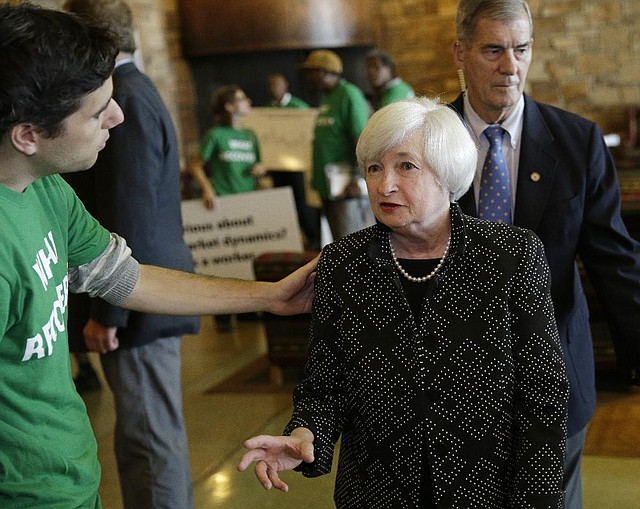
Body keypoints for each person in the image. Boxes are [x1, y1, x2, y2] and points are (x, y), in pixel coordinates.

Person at [0, 4, 317, 508]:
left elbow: (125, 277)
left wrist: (272, 296)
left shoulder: (45, 188)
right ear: (28, 134)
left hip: (72, 483)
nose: (118, 115)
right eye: (96, 110)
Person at [238, 97, 569, 507]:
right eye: (374, 168)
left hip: (488, 490)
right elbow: (325, 386)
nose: (384, 184)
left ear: (446, 172)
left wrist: (537, 497)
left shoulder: (510, 255)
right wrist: (305, 435)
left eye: (405, 166)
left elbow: (543, 390)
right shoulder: (343, 262)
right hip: (376, 490)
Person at [449, 1, 640, 507]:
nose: (510, 66)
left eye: (522, 49)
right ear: (460, 53)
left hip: (554, 380)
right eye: (493, 50)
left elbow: (614, 261)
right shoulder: (424, 141)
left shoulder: (577, 141)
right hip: (448, 385)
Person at [61, 0, 199, 507]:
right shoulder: (135, 90)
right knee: (144, 435)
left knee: (149, 439)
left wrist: (109, 310)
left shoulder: (126, 101)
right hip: (138, 297)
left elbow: (128, 213)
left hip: (138, 300)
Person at [301, 49, 375, 241]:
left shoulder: (349, 95)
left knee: (352, 245)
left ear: (328, 71)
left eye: (313, 72)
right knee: (339, 243)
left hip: (346, 188)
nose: (308, 77)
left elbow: (363, 138)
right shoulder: (327, 97)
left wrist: (358, 179)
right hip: (329, 187)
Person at [265, 73, 320, 249]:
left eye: (277, 85)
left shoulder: (299, 107)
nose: (274, 89)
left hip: (297, 167)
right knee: (282, 203)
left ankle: (312, 239)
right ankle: (288, 239)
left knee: (303, 203)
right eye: (270, 86)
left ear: (285, 85)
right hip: (277, 166)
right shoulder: (267, 111)